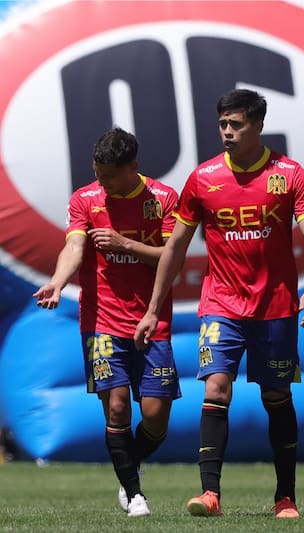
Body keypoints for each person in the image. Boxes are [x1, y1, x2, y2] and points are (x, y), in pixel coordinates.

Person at [134, 88, 304, 519]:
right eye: (222, 123)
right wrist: (152, 308)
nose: (226, 131)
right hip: (220, 303)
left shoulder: (289, 174)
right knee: (216, 388)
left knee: (276, 395)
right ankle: (209, 495)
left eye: (235, 124)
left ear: (258, 126)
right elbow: (174, 248)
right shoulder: (203, 178)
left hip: (276, 307)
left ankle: (285, 497)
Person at [33, 127, 181, 518]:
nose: (102, 182)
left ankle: (126, 466)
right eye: (97, 173)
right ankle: (135, 496)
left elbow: (171, 256)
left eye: (110, 175)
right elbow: (75, 245)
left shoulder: (164, 198)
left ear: (133, 167)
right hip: (100, 320)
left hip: (152, 319)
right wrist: (57, 281)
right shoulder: (84, 198)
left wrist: (124, 244)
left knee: (155, 417)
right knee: (117, 409)